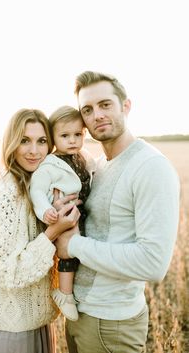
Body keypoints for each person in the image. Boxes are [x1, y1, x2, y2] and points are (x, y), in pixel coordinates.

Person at [55, 71, 180, 353]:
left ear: (126, 105)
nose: (97, 114)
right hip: (81, 315)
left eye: (105, 104)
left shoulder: (151, 168)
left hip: (111, 323)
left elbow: (153, 263)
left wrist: (73, 245)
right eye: (87, 109)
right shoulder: (98, 166)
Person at [0, 108, 80, 353]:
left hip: (36, 326)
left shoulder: (35, 186)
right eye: (24, 141)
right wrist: (53, 232)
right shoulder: (8, 193)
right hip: (9, 334)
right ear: (11, 144)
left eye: (42, 141)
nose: (34, 151)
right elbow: (11, 273)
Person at [30, 105, 96, 322]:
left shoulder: (82, 156)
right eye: (65, 136)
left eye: (78, 134)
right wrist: (46, 211)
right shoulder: (50, 165)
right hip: (63, 215)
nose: (73, 140)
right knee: (67, 251)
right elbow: (37, 190)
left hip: (80, 211)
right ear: (53, 137)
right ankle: (65, 294)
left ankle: (73, 290)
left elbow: (95, 169)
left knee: (80, 250)